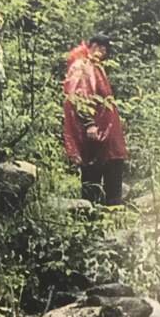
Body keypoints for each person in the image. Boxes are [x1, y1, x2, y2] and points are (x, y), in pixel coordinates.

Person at [62, 33, 128, 205]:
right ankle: (94, 215)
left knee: (110, 166)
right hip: (96, 131)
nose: (103, 53)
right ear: (94, 47)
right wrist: (89, 123)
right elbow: (79, 95)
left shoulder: (93, 66)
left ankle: (109, 214)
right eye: (102, 49)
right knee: (94, 171)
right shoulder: (83, 66)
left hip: (105, 130)